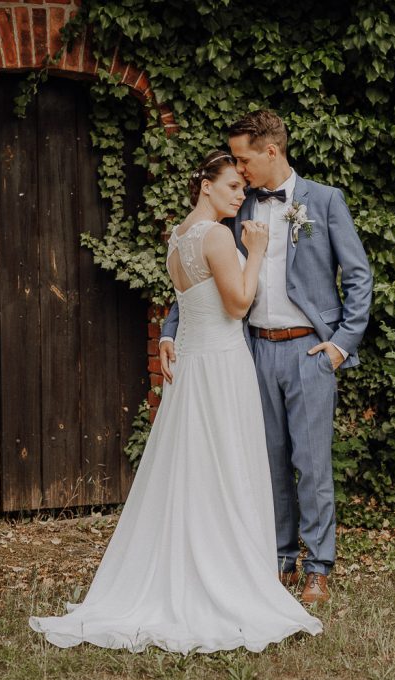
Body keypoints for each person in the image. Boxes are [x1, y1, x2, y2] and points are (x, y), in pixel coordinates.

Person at [28, 151, 322, 653]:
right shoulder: (215, 236)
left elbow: (191, 306)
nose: (240, 195)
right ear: (206, 186)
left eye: (241, 188)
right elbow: (238, 303)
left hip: (193, 367)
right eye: (231, 187)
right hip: (223, 366)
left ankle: (189, 564)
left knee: (193, 471)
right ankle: (225, 580)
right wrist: (257, 249)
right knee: (226, 469)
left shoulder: (178, 238)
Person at [160, 111, 373, 604]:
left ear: (270, 151)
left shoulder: (323, 200)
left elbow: (359, 277)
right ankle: (279, 558)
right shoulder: (239, 206)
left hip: (309, 350)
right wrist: (172, 329)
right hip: (250, 349)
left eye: (243, 157)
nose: (240, 167)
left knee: (312, 463)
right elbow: (203, 281)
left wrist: (340, 345)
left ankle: (319, 565)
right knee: (267, 461)